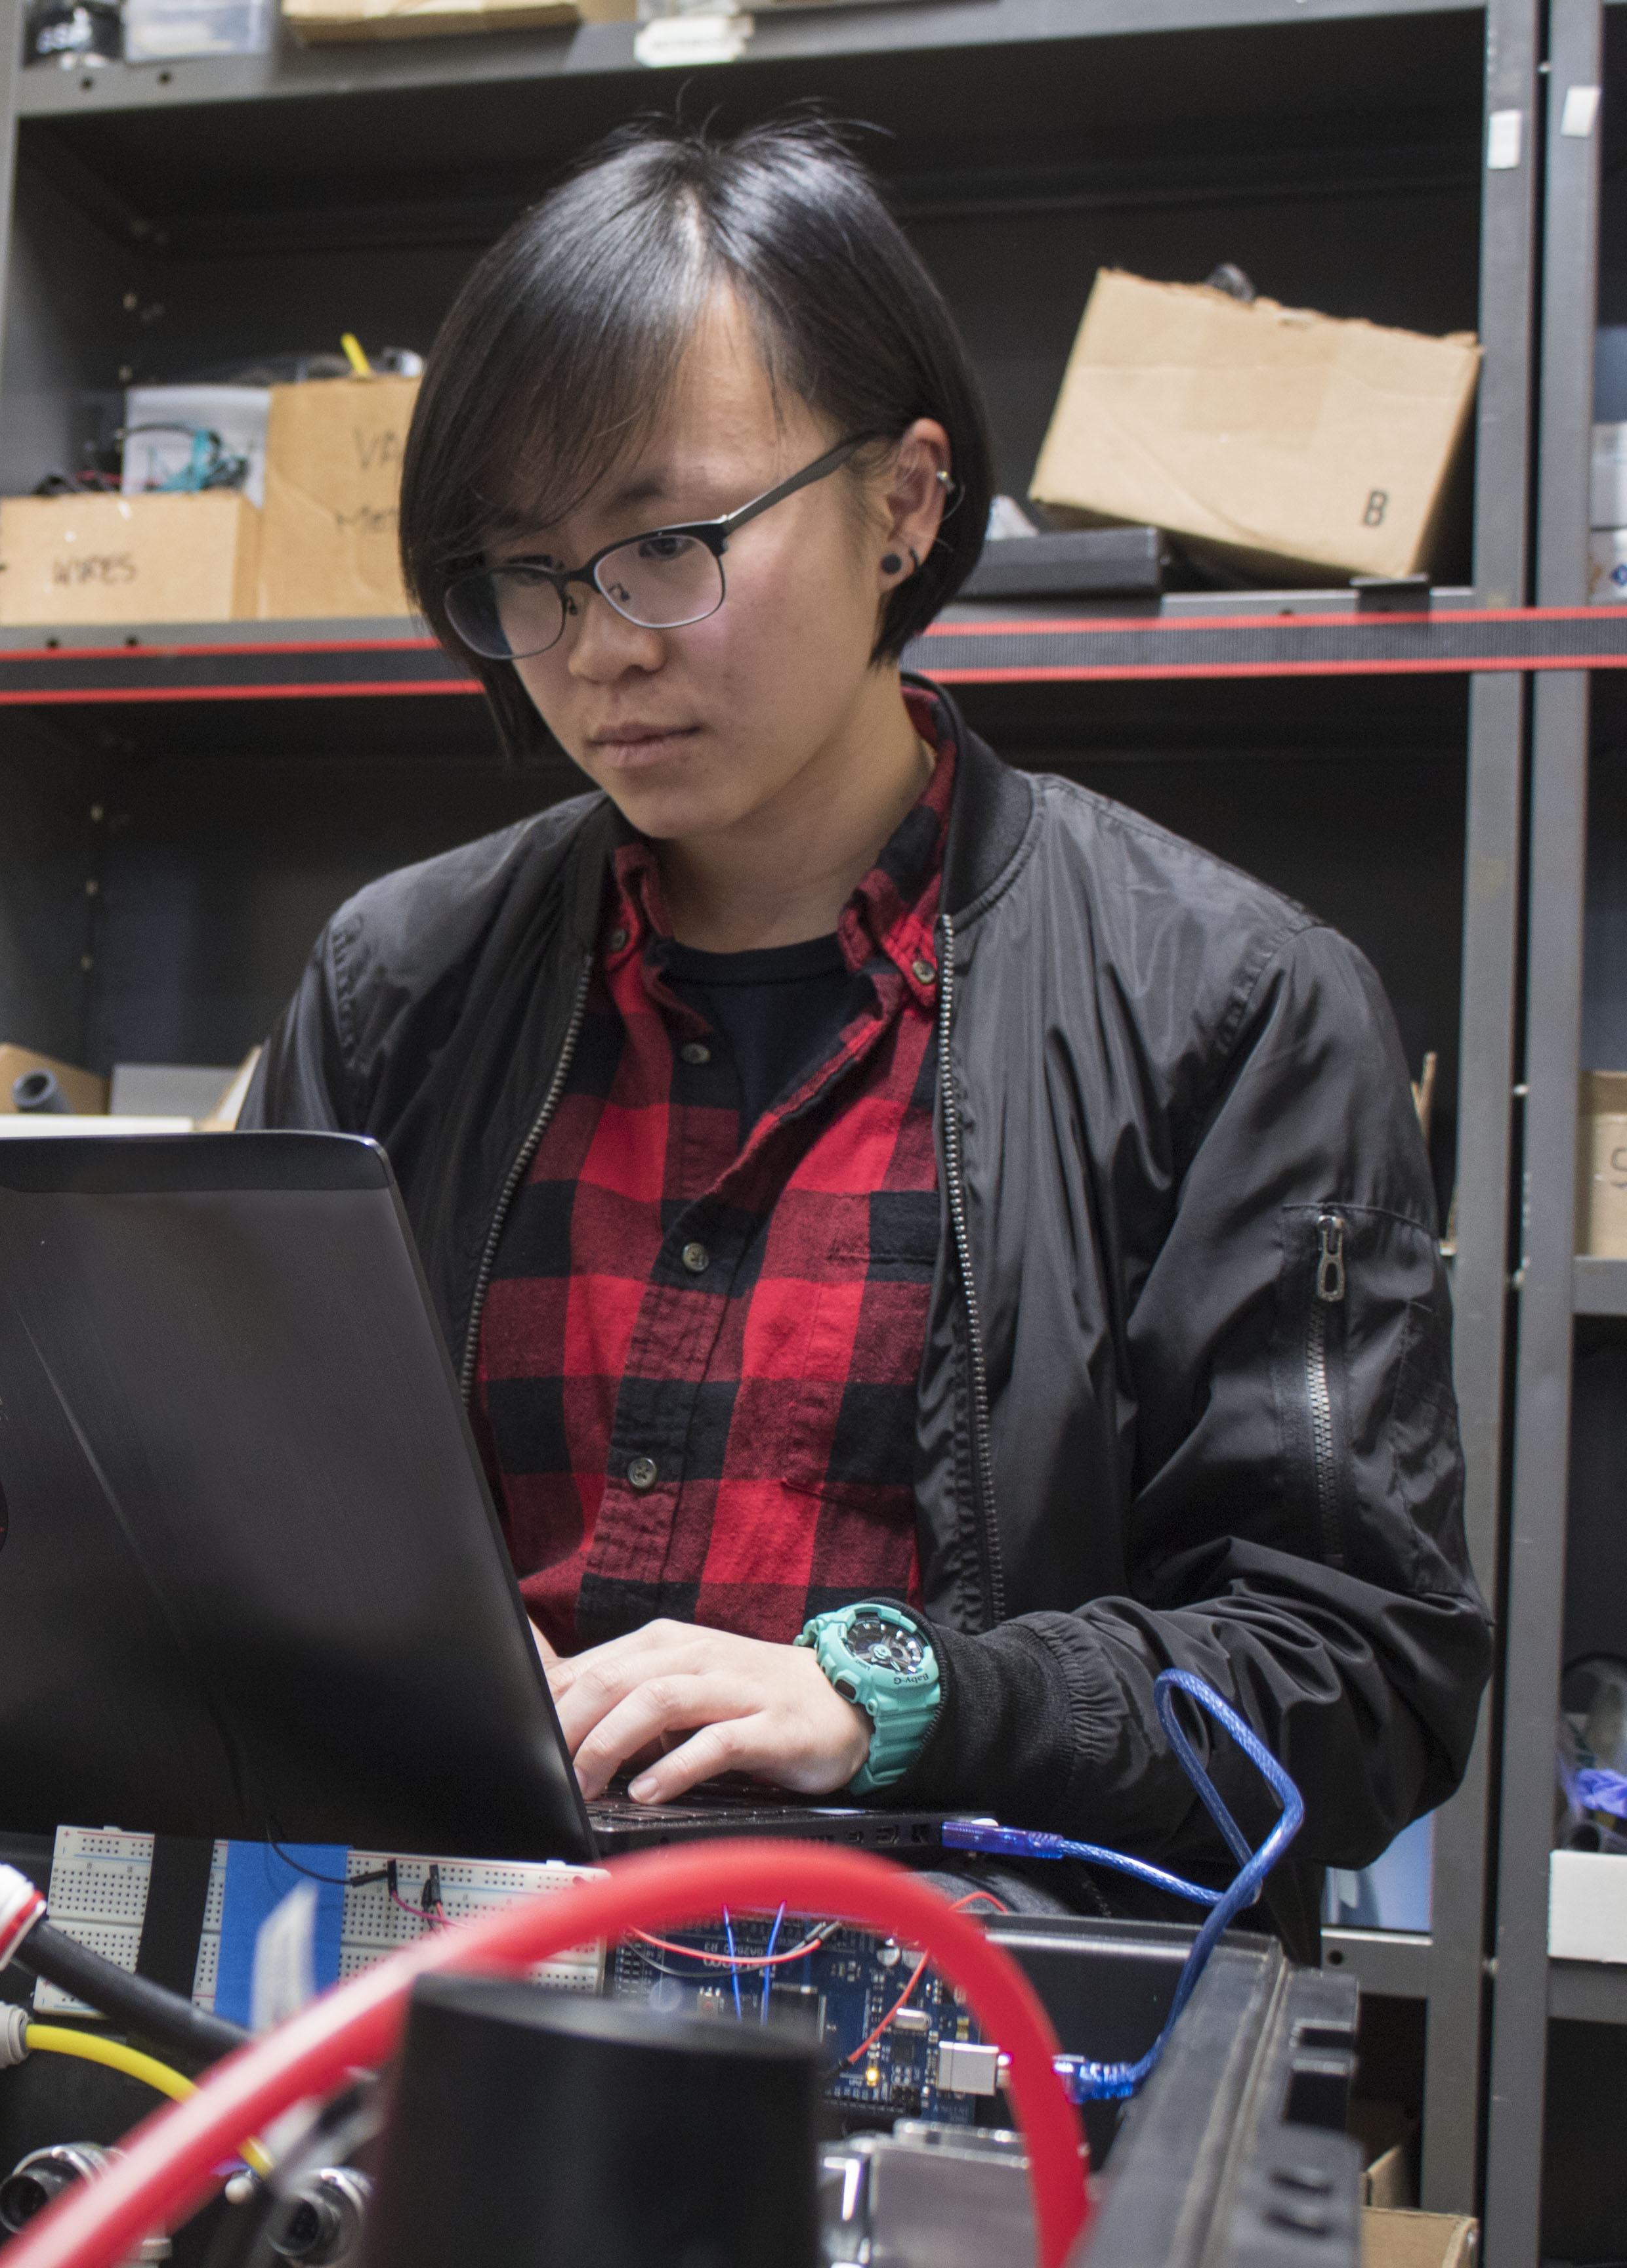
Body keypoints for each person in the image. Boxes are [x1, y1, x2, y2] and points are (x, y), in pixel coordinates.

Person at [250, 115, 1489, 1895]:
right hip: (439, 2004)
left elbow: (1360, 1680)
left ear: (902, 502)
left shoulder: (1233, 1010)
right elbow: (236, 1525)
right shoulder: (399, 988)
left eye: (667, 541)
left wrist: (904, 1705)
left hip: (964, 2044)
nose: (596, 645)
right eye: (523, 572)